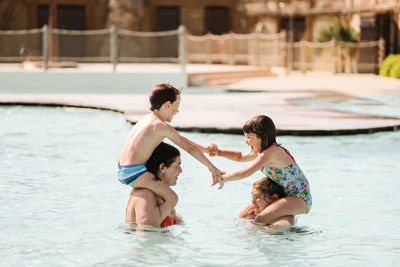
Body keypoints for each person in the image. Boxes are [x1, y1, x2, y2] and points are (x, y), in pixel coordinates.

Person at [119, 83, 224, 221]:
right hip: (136, 172)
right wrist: (212, 168)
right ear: (167, 105)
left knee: (167, 200)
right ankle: (155, 223)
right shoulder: (160, 126)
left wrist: (204, 149)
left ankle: (164, 220)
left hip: (124, 169)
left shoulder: (147, 120)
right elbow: (189, 148)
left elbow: (182, 140)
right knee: (172, 198)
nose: (177, 111)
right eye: (177, 106)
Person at [208, 115, 311, 225]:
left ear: (261, 136)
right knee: (258, 218)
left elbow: (245, 172)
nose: (246, 141)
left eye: (248, 137)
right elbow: (240, 156)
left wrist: (222, 178)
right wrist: (219, 152)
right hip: (289, 197)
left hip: (300, 198)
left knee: (260, 219)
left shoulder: (272, 152)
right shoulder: (264, 152)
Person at [125, 142, 183, 228]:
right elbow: (145, 238)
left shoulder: (163, 195)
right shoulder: (145, 196)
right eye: (177, 166)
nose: (180, 170)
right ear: (162, 167)